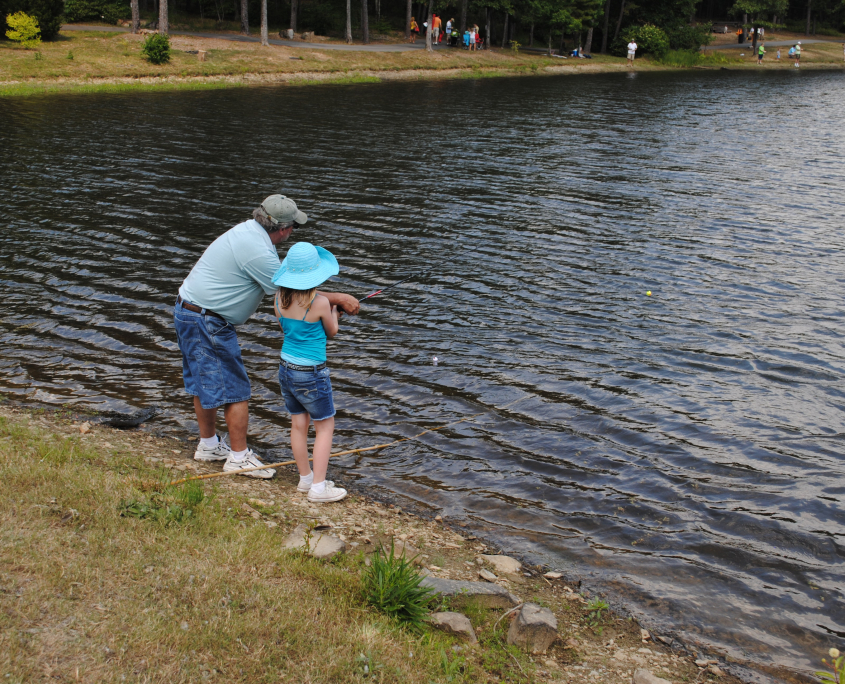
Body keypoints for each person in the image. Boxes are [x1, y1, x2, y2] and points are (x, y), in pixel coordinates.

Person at [174, 195, 359, 478]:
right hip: (206, 319)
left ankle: (209, 445)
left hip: (190, 310)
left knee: (202, 382)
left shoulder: (250, 232)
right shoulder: (257, 250)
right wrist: (340, 299)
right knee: (235, 389)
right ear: (283, 229)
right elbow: (294, 293)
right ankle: (238, 457)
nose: (292, 232)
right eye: (293, 228)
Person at [272, 242, 347, 503]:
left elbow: (289, 329)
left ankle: (305, 478)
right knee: (325, 426)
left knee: (298, 423)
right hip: (311, 373)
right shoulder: (321, 302)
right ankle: (318, 488)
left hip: (286, 369)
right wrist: (335, 313)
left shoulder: (278, 299)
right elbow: (332, 331)